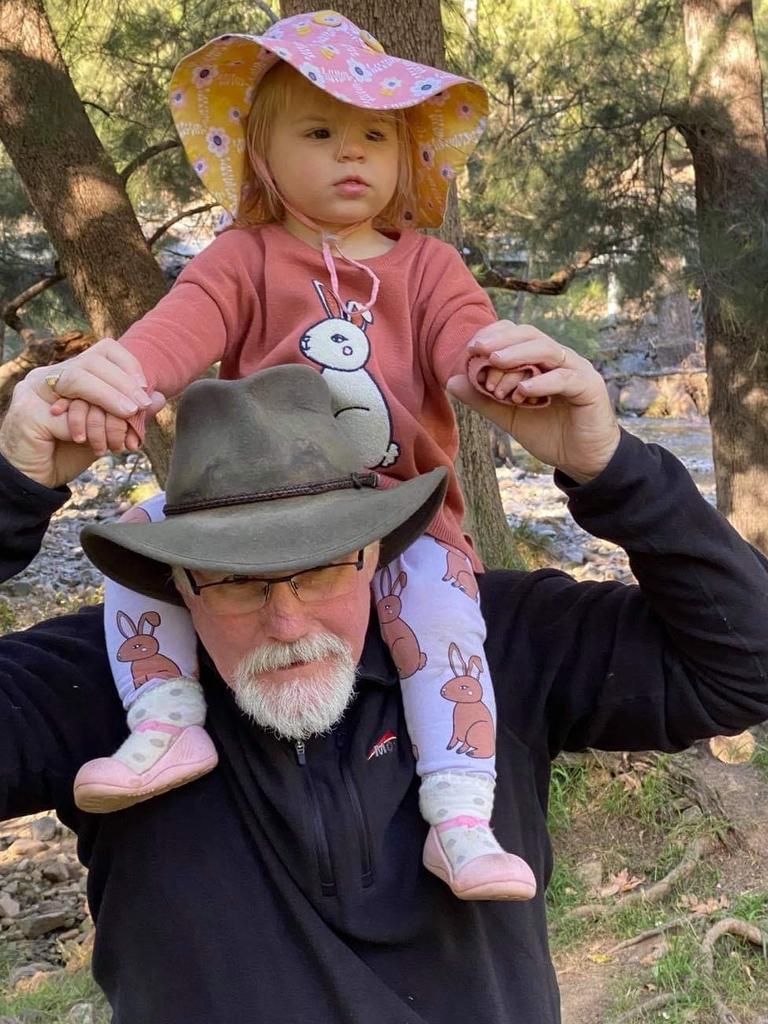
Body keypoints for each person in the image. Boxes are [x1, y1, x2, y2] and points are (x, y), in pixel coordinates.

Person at [1, 360, 767, 1024]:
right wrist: (10, 493)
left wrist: (612, 468)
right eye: (235, 580)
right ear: (176, 580)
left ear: (377, 552)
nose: (287, 619)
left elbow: (746, 666)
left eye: (323, 565)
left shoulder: (492, 640)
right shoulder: (105, 678)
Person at [39, 8, 578, 902]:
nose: (352, 153)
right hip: (261, 505)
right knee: (139, 541)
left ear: (408, 154)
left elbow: (467, 347)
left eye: (377, 134)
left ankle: (459, 814)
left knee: (443, 623)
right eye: (320, 132)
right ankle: (168, 716)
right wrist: (119, 380)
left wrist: (505, 374)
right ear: (261, 153)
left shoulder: (429, 268)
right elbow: (175, 335)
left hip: (398, 508)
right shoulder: (243, 259)